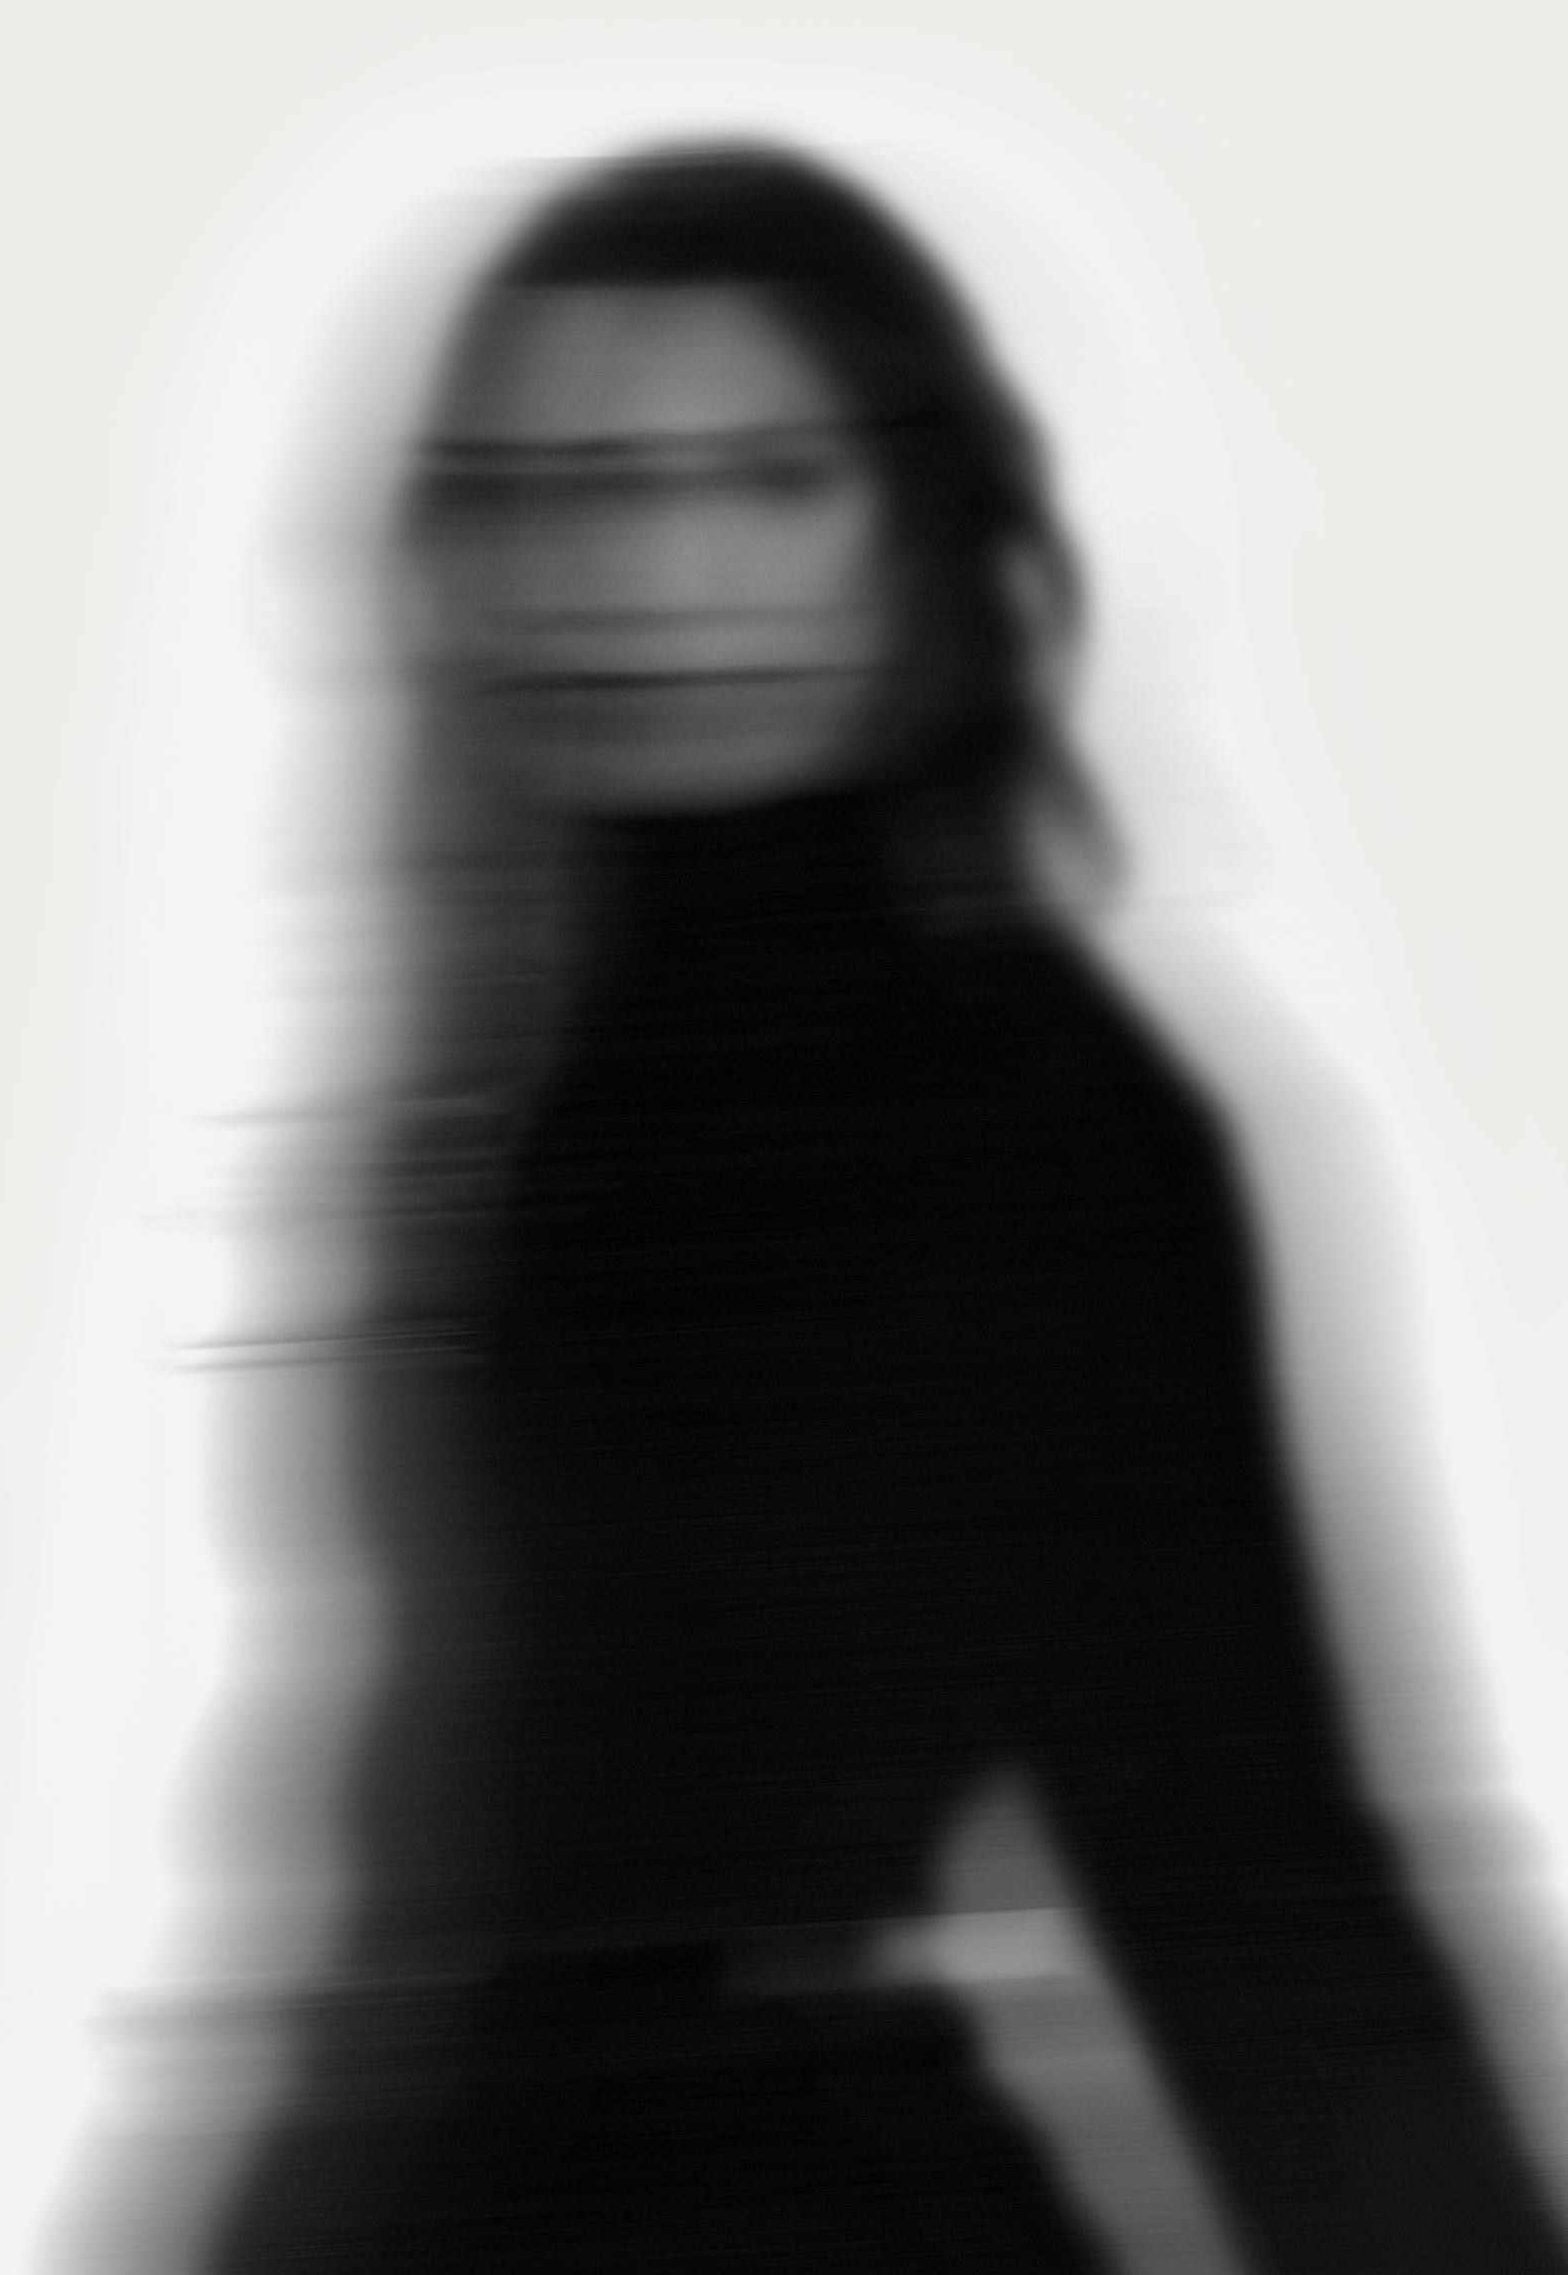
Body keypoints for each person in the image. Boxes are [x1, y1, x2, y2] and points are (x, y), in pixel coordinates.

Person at [192, 140, 1567, 2271]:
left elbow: (1251, 1879)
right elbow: (458, 1867)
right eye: (553, 490)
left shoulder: (1035, 1118)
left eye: (762, 478)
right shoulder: (536, 1090)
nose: (646, 570)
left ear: (917, 530)